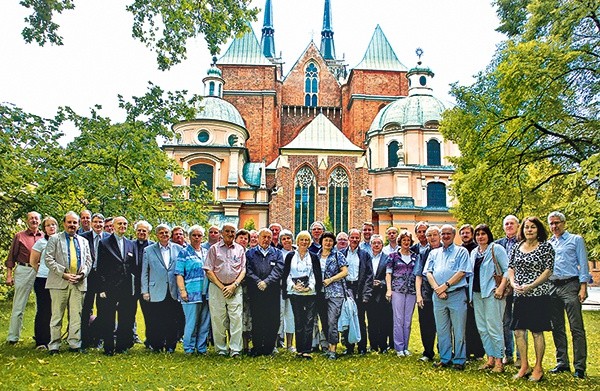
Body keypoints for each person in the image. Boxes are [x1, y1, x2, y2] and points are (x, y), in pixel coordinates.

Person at [508, 216, 554, 382]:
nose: (529, 230)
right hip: (519, 295)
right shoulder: (516, 247)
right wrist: (513, 284)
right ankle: (524, 366)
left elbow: (548, 270)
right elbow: (510, 268)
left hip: (538, 295)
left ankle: (538, 368)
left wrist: (531, 285)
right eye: (527, 227)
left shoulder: (545, 247)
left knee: (536, 331)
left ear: (538, 229)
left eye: (533, 227)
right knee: (519, 331)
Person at [547, 211, 589, 379]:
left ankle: (579, 366)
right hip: (552, 286)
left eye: (557, 222)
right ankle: (562, 362)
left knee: (576, 327)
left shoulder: (575, 240)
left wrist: (583, 287)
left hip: (570, 285)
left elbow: (583, 264)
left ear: (564, 223)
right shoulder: (548, 243)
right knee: (557, 327)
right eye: (551, 223)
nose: (554, 226)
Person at [44, 211, 92, 354]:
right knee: (57, 315)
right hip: (59, 283)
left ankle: (74, 344)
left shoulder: (84, 241)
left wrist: (82, 274)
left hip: (78, 283)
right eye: (69, 222)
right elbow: (48, 259)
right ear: (64, 223)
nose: (72, 225)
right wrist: (64, 274)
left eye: (74, 222)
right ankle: (54, 345)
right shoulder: (55, 239)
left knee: (76, 315)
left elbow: (89, 261)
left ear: (78, 224)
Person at [426, 224, 472, 370]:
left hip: (456, 295)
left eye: (448, 233)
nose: (445, 236)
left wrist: (444, 286)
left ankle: (459, 360)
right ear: (440, 235)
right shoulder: (434, 253)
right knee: (442, 329)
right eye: (443, 233)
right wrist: (437, 289)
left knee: (459, 330)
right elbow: (428, 272)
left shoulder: (461, 252)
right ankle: (445, 358)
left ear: (453, 235)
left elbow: (461, 272)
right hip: (438, 296)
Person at [469, 224, 508, 373]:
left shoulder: (496, 249)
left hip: (492, 293)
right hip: (477, 294)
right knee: (482, 328)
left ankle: (499, 361)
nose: (480, 236)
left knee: (494, 327)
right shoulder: (474, 253)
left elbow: (507, 270)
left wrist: (501, 288)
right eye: (477, 234)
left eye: (483, 233)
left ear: (488, 235)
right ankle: (490, 358)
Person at [96, 216, 138, 355]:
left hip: (126, 287)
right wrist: (101, 288)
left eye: (125, 224)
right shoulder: (104, 243)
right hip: (110, 287)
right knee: (108, 317)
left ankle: (121, 346)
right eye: (120, 223)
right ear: (113, 226)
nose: (122, 226)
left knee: (125, 318)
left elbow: (133, 267)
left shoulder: (131, 244)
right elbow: (100, 267)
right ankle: (108, 347)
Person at [203, 223, 246, 357]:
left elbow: (243, 269)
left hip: (235, 288)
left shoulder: (240, 249)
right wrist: (223, 287)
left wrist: (234, 285)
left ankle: (235, 350)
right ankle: (221, 349)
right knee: (218, 319)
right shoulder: (214, 249)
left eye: (232, 232)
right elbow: (208, 270)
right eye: (227, 231)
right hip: (217, 288)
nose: (230, 234)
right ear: (222, 233)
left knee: (236, 319)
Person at [141, 224, 183, 353]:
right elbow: (145, 272)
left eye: (166, 232)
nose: (164, 235)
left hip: (173, 290)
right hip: (156, 290)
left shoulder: (179, 249)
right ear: (157, 235)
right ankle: (157, 345)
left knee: (172, 319)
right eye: (161, 233)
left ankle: (171, 345)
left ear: (170, 234)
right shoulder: (148, 250)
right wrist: (145, 291)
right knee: (156, 320)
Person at [282, 231, 322, 359]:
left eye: (306, 240)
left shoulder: (314, 257)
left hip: (310, 293)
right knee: (298, 321)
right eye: (302, 240)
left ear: (309, 242)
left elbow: (316, 274)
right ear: (297, 242)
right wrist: (293, 286)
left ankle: (307, 350)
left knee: (309, 321)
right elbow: (286, 274)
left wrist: (309, 287)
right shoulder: (290, 256)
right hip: (295, 293)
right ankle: (299, 349)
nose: (304, 242)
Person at [5, 211, 43, 344]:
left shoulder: (44, 236)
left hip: (40, 271)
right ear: (27, 220)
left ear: (40, 221)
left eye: (36, 218)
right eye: (31, 218)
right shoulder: (19, 236)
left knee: (42, 306)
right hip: (24, 269)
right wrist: (9, 275)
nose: (34, 220)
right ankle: (13, 337)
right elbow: (11, 256)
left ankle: (40, 336)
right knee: (19, 305)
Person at [245, 228, 284, 356]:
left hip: (272, 291)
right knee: (257, 319)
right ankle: (257, 347)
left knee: (272, 320)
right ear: (258, 238)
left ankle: (268, 348)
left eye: (269, 237)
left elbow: (278, 270)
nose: (266, 240)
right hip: (256, 291)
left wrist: (266, 282)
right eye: (264, 237)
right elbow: (248, 270)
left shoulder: (277, 253)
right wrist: (258, 282)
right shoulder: (250, 253)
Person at [175, 225, 210, 355]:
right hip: (191, 292)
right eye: (194, 235)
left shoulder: (206, 252)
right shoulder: (184, 252)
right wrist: (182, 290)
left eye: (199, 235)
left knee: (205, 322)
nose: (196, 238)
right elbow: (179, 273)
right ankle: (189, 348)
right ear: (189, 237)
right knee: (191, 322)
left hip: (206, 292)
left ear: (203, 237)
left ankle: (201, 348)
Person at [385, 230, 420, 357]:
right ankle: (399, 347)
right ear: (400, 241)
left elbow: (418, 275)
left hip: (411, 291)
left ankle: (406, 347)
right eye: (404, 240)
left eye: (408, 240)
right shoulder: (393, 256)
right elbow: (388, 274)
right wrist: (389, 290)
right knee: (398, 319)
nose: (406, 242)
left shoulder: (415, 256)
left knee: (408, 320)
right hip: (397, 290)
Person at [339, 228, 373, 355]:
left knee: (360, 319)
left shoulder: (365, 255)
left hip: (359, 288)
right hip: (346, 288)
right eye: (352, 237)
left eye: (356, 237)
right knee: (347, 318)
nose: (354, 240)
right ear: (348, 238)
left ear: (360, 239)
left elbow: (370, 276)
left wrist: (366, 294)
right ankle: (349, 347)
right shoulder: (341, 253)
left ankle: (362, 346)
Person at [317, 231, 349, 359]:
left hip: (335, 292)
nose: (328, 242)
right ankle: (326, 346)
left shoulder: (338, 255)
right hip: (320, 293)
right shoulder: (316, 256)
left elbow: (345, 272)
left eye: (330, 240)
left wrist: (331, 279)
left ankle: (333, 349)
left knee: (332, 320)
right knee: (324, 321)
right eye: (326, 240)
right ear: (321, 242)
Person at [29, 216, 58, 349]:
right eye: (48, 225)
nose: (51, 227)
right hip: (43, 280)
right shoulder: (40, 243)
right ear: (44, 228)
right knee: (43, 310)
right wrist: (42, 271)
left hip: (57, 280)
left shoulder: (61, 241)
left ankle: (53, 338)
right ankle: (41, 341)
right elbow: (33, 262)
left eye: (53, 225)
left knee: (55, 311)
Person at [80, 212, 108, 349]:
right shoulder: (83, 237)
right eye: (95, 222)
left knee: (103, 309)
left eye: (100, 222)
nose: (98, 225)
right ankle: (84, 339)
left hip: (103, 279)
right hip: (88, 277)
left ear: (104, 224)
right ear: (91, 223)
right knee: (86, 308)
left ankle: (98, 338)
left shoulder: (109, 238)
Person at [495, 214, 520, 366]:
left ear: (518, 226)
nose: (509, 226)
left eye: (512, 223)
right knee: (505, 322)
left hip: (519, 286)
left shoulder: (524, 242)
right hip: (503, 287)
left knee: (519, 321)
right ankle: (508, 354)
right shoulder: (498, 244)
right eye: (507, 224)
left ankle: (520, 356)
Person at [415, 225, 441, 362]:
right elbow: (418, 275)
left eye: (434, 234)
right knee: (426, 324)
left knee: (443, 324)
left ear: (440, 236)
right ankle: (428, 352)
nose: (431, 238)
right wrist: (418, 295)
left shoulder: (447, 250)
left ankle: (444, 351)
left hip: (444, 293)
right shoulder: (424, 253)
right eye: (429, 235)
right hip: (426, 294)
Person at [460, 223, 485, 361]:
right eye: (462, 233)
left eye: (467, 232)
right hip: (462, 290)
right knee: (465, 321)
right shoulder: (459, 250)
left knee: (477, 321)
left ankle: (479, 352)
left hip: (476, 288)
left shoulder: (478, 249)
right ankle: (467, 349)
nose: (465, 235)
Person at [365, 234, 393, 353]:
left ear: (382, 245)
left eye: (379, 243)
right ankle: (373, 345)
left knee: (383, 320)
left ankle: (383, 345)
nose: (376, 245)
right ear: (370, 245)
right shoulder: (366, 257)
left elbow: (391, 275)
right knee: (371, 320)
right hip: (369, 293)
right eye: (374, 243)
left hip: (382, 293)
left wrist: (381, 283)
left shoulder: (388, 258)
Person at [132, 220, 154, 346]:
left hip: (147, 286)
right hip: (132, 285)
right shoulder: (130, 245)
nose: (141, 233)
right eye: (139, 230)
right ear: (136, 232)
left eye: (144, 231)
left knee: (149, 314)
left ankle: (150, 340)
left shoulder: (153, 247)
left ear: (148, 233)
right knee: (130, 313)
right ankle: (131, 336)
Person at [278, 229, 296, 352]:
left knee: (291, 316)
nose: (286, 241)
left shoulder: (296, 253)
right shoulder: (277, 253)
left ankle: (290, 344)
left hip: (294, 289)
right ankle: (276, 343)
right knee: (278, 315)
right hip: (279, 289)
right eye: (283, 239)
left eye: (288, 238)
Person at [234, 229, 252, 354]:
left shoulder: (250, 253)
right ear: (236, 239)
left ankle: (246, 345)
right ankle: (235, 345)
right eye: (241, 238)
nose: (243, 240)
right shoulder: (232, 251)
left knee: (247, 317)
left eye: (246, 238)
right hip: (234, 287)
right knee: (235, 316)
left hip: (248, 289)